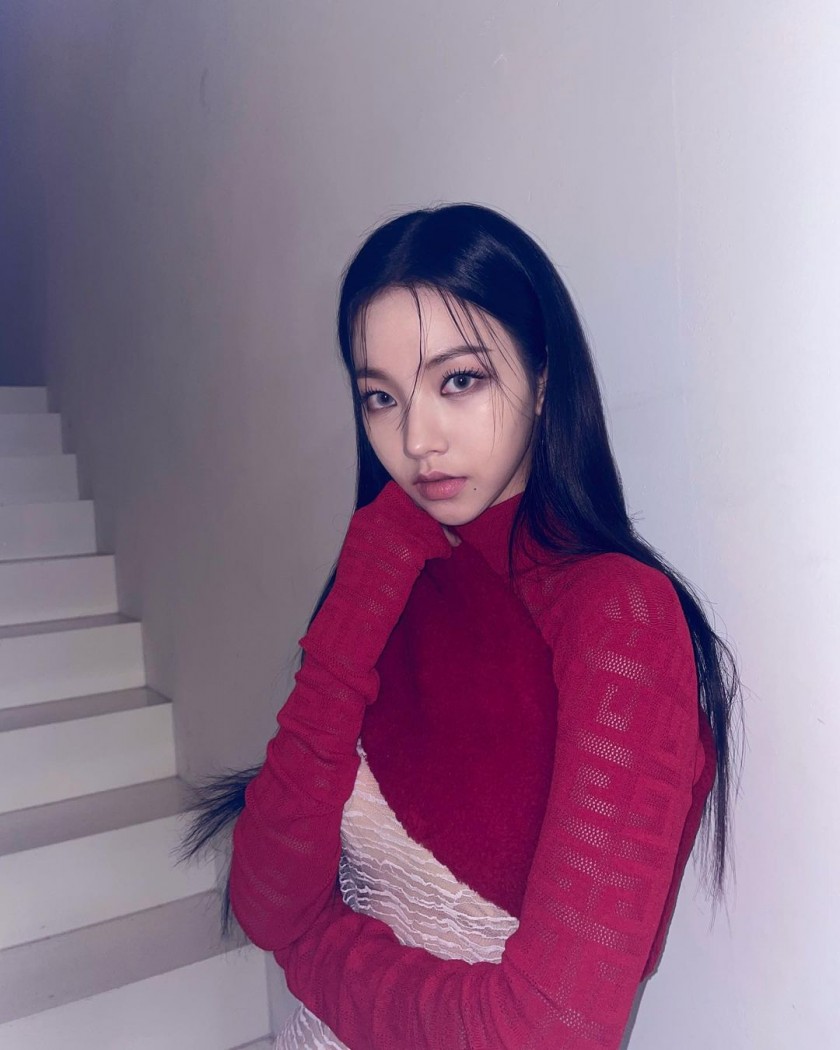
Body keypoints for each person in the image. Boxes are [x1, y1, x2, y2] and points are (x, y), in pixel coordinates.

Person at [181, 203, 741, 1049]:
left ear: (542, 379)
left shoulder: (618, 618)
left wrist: (310, 947)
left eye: (459, 381)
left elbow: (550, 1032)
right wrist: (368, 576)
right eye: (381, 397)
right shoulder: (388, 574)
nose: (416, 439)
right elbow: (263, 895)